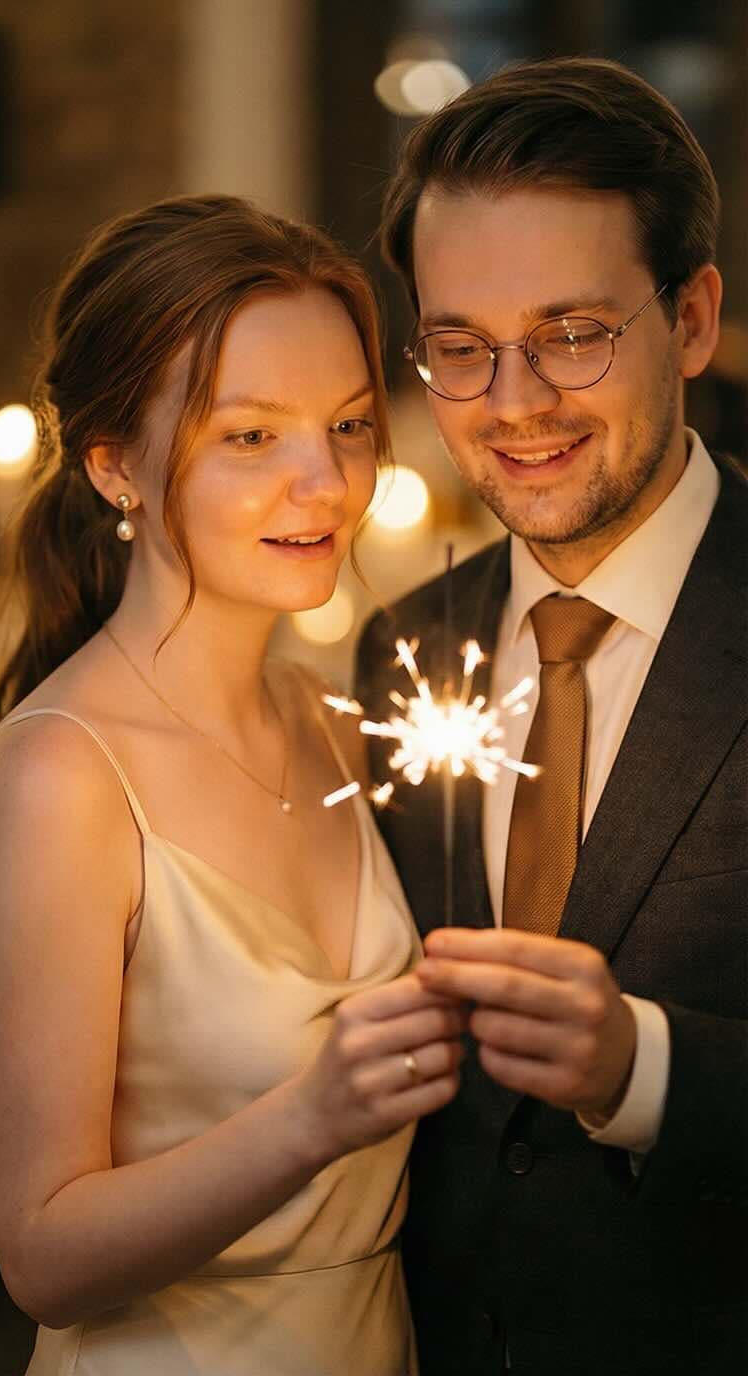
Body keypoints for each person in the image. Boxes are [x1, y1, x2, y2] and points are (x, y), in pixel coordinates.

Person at [0, 194, 468, 1376]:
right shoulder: (60, 771)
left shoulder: (335, 723)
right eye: (251, 435)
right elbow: (39, 1253)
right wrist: (312, 1116)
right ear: (115, 465)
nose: (326, 482)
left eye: (349, 425)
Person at [356, 56, 747, 1376]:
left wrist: (643, 1065)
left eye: (574, 334)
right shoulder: (404, 641)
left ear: (692, 318)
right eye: (461, 349)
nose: (514, 406)